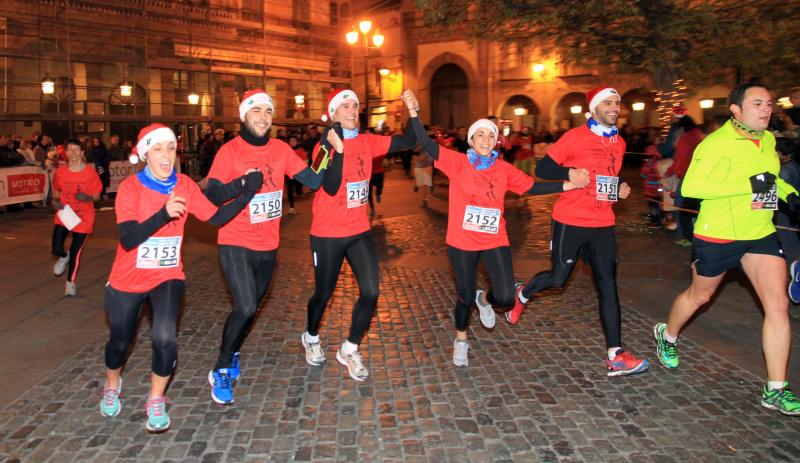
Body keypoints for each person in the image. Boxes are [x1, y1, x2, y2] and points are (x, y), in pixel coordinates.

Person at [100, 124, 259, 432]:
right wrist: (163, 213)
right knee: (119, 343)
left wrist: (247, 191)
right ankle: (111, 384)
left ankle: (156, 398)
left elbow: (217, 217)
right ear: (145, 154)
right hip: (128, 279)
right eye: (157, 149)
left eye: (171, 149)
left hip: (168, 275)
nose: (165, 156)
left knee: (165, 338)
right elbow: (129, 239)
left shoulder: (184, 185)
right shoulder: (131, 188)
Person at [654, 83, 800, 415]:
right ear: (735, 109)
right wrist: (745, 185)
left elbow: (768, 179)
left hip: (759, 232)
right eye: (757, 103)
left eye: (768, 103)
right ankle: (668, 334)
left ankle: (776, 388)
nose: (766, 109)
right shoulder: (715, 143)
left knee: (777, 305)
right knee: (700, 296)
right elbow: (692, 186)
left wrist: (789, 193)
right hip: (718, 233)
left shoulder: (767, 140)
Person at [401, 90, 571, 365]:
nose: (486, 139)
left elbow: (531, 187)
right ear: (471, 139)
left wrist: (567, 185)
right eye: (480, 134)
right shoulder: (457, 163)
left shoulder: (503, 169)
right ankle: (461, 339)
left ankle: (486, 300)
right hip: (462, 241)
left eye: (491, 135)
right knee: (464, 296)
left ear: (496, 141)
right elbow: (425, 142)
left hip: (494, 239)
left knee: (505, 297)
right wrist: (413, 110)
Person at [506, 86, 650, 377]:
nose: (614, 107)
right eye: (608, 103)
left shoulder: (620, 142)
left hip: (603, 223)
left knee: (608, 286)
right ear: (594, 108)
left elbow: (609, 175)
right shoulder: (575, 137)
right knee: (558, 278)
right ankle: (522, 293)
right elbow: (543, 168)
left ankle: (616, 355)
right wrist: (569, 173)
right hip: (570, 220)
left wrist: (619, 186)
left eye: (617, 102)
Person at [205, 90, 330, 404]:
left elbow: (314, 181)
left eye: (268, 111)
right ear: (244, 115)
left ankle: (233, 349)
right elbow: (213, 195)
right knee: (246, 306)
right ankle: (221, 368)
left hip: (268, 244)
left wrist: (328, 148)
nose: (263, 117)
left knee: (251, 307)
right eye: (256, 110)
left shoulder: (280, 149)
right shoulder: (229, 151)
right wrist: (242, 185)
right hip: (235, 239)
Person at [301, 88, 417, 382]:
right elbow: (329, 187)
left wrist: (413, 111)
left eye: (355, 106)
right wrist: (338, 148)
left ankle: (350, 348)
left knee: (371, 291)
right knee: (323, 293)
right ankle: (311, 336)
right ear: (333, 114)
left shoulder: (368, 141)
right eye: (346, 106)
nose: (353, 111)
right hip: (327, 233)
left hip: (359, 231)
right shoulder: (322, 148)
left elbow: (408, 141)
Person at [50, 138, 102, 296]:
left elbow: (97, 195)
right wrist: (55, 202)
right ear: (65, 153)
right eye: (69, 150)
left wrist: (88, 198)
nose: (73, 153)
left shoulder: (90, 173)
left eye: (76, 149)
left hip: (84, 217)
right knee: (56, 248)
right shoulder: (61, 172)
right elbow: (56, 192)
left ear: (82, 152)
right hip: (65, 214)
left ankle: (70, 283)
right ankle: (63, 256)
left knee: (76, 252)